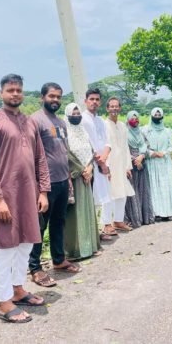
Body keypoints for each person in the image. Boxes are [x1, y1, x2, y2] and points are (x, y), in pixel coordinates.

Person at [0, 74, 50, 324]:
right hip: (5, 196)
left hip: (29, 195)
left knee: (26, 244)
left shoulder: (29, 122)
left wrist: (43, 191)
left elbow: (40, 158)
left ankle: (18, 289)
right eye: (10, 90)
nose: (15, 94)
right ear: (1, 93)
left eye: (19, 90)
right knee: (5, 249)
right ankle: (3, 302)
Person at [28, 83, 81, 288]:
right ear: (42, 97)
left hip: (61, 180)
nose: (55, 100)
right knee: (39, 226)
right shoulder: (35, 120)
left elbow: (63, 152)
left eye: (59, 96)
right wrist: (38, 186)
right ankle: (35, 267)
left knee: (58, 222)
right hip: (44, 184)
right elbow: (31, 155)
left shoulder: (61, 122)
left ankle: (58, 260)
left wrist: (68, 178)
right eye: (51, 96)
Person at [63, 103, 102, 260]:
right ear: (67, 115)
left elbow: (91, 152)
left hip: (87, 176)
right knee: (75, 214)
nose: (77, 115)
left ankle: (90, 246)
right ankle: (76, 250)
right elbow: (66, 154)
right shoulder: (65, 132)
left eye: (78, 113)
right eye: (73, 113)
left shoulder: (83, 132)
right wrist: (81, 170)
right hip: (75, 177)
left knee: (87, 211)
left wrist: (90, 168)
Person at [81, 88, 113, 236]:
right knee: (93, 199)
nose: (94, 102)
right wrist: (101, 164)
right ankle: (92, 233)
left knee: (105, 196)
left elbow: (107, 142)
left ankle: (105, 226)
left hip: (103, 163)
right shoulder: (82, 119)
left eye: (97, 99)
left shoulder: (100, 120)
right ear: (85, 101)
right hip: (91, 164)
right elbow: (88, 144)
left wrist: (105, 160)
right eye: (91, 99)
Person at [103, 97, 135, 233]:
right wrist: (106, 167)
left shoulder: (122, 126)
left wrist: (128, 166)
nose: (114, 109)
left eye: (116, 106)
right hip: (110, 165)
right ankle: (106, 224)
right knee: (109, 194)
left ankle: (118, 221)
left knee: (122, 193)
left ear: (120, 108)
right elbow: (103, 147)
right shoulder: (104, 125)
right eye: (111, 106)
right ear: (107, 108)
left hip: (121, 164)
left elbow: (125, 147)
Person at [143, 108, 172, 220]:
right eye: (155, 115)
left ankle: (169, 212)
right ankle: (156, 213)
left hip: (165, 162)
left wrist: (163, 153)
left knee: (166, 186)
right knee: (154, 187)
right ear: (151, 116)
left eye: (160, 115)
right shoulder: (145, 130)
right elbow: (142, 146)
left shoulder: (168, 131)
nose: (157, 117)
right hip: (152, 162)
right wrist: (151, 153)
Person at [125, 110, 155, 228]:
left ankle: (145, 217)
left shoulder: (142, 133)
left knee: (143, 190)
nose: (135, 120)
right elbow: (123, 149)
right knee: (133, 191)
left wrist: (141, 156)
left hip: (142, 165)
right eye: (132, 118)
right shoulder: (125, 133)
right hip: (130, 165)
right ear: (127, 119)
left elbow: (147, 147)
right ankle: (135, 219)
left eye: (136, 118)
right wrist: (135, 160)